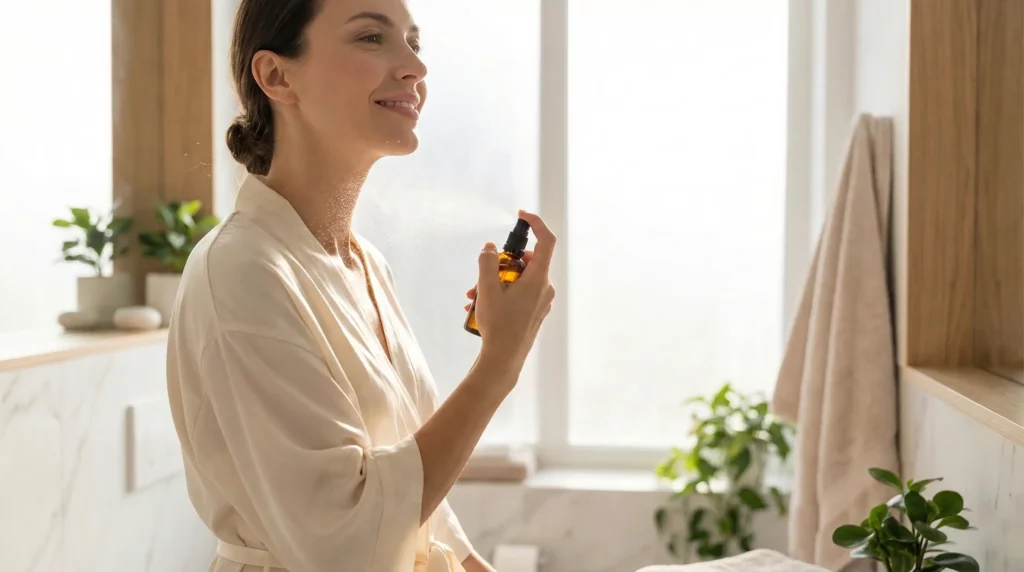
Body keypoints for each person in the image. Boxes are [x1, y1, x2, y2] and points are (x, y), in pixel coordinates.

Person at [165, 0, 556, 570]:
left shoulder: (365, 263)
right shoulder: (242, 272)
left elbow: (412, 492)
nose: (414, 68)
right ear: (276, 75)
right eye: (372, 37)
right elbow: (344, 540)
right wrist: (500, 362)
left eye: (414, 43)